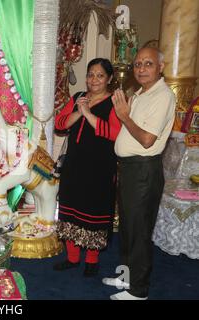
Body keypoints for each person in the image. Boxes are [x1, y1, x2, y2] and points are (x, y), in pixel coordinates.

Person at [104, 47, 175, 300]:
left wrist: (125, 116)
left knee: (139, 232)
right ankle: (125, 278)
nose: (141, 69)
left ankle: (138, 290)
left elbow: (146, 139)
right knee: (127, 229)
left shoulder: (163, 96)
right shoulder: (142, 93)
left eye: (148, 64)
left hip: (144, 171)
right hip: (131, 169)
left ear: (160, 67)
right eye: (137, 64)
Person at [54, 58, 121, 277]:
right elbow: (60, 124)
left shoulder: (114, 102)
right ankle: (72, 258)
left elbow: (114, 133)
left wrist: (88, 114)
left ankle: (92, 259)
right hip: (74, 165)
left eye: (100, 75)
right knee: (70, 209)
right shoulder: (77, 98)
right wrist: (79, 111)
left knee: (94, 212)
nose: (94, 79)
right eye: (91, 74)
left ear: (109, 79)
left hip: (100, 168)